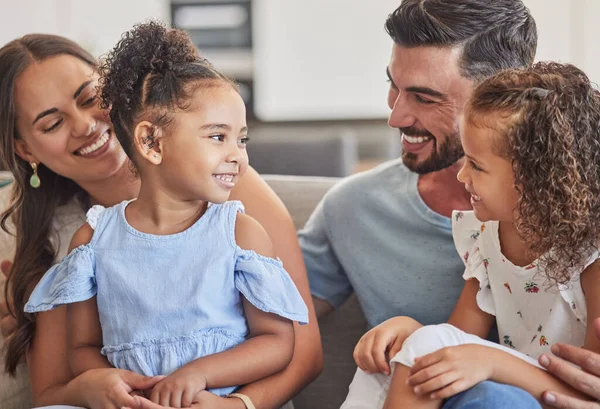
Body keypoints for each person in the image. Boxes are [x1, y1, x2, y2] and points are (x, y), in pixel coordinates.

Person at [0, 30, 321, 409]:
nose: (85, 125)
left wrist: (235, 405)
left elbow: (301, 350)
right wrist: (94, 384)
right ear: (23, 148)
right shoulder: (69, 240)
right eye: (52, 123)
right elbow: (53, 389)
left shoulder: (228, 194)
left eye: (90, 98)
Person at [298, 0, 541, 406]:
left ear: (501, 97)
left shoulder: (577, 216)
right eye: (394, 85)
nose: (396, 116)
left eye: (425, 98)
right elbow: (250, 312)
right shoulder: (354, 208)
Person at [346, 62, 600, 408]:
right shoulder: (486, 236)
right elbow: (458, 342)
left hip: (559, 396)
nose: (463, 176)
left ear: (539, 178)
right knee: (398, 358)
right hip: (512, 392)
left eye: (477, 166)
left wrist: (490, 361)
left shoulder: (590, 256)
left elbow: (587, 390)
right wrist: (411, 332)